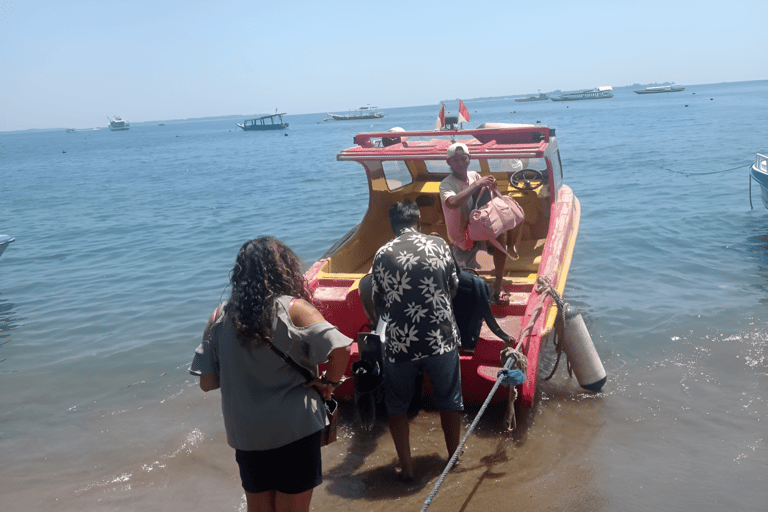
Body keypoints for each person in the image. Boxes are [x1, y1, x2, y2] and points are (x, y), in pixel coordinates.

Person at [189, 237, 352, 512]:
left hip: (247, 434)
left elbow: (207, 383)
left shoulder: (219, 316)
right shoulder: (293, 308)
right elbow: (341, 347)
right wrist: (329, 384)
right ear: (284, 269)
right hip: (295, 430)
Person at [370, 200, 463, 482]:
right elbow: (454, 285)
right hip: (441, 338)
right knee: (449, 398)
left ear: (392, 225)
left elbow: (378, 301)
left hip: (401, 342)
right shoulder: (438, 244)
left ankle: (407, 468)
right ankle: (454, 458)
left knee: (397, 404)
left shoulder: (383, 254)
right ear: (418, 221)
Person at [439, 142, 518, 303]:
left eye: (463, 159)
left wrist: (489, 187)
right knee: (464, 284)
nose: (460, 163)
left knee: (499, 241)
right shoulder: (446, 184)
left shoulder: (474, 175)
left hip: (478, 228)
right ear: (448, 163)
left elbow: (482, 198)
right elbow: (452, 202)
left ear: (469, 159)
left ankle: (497, 285)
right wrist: (476, 184)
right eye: (455, 160)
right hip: (461, 236)